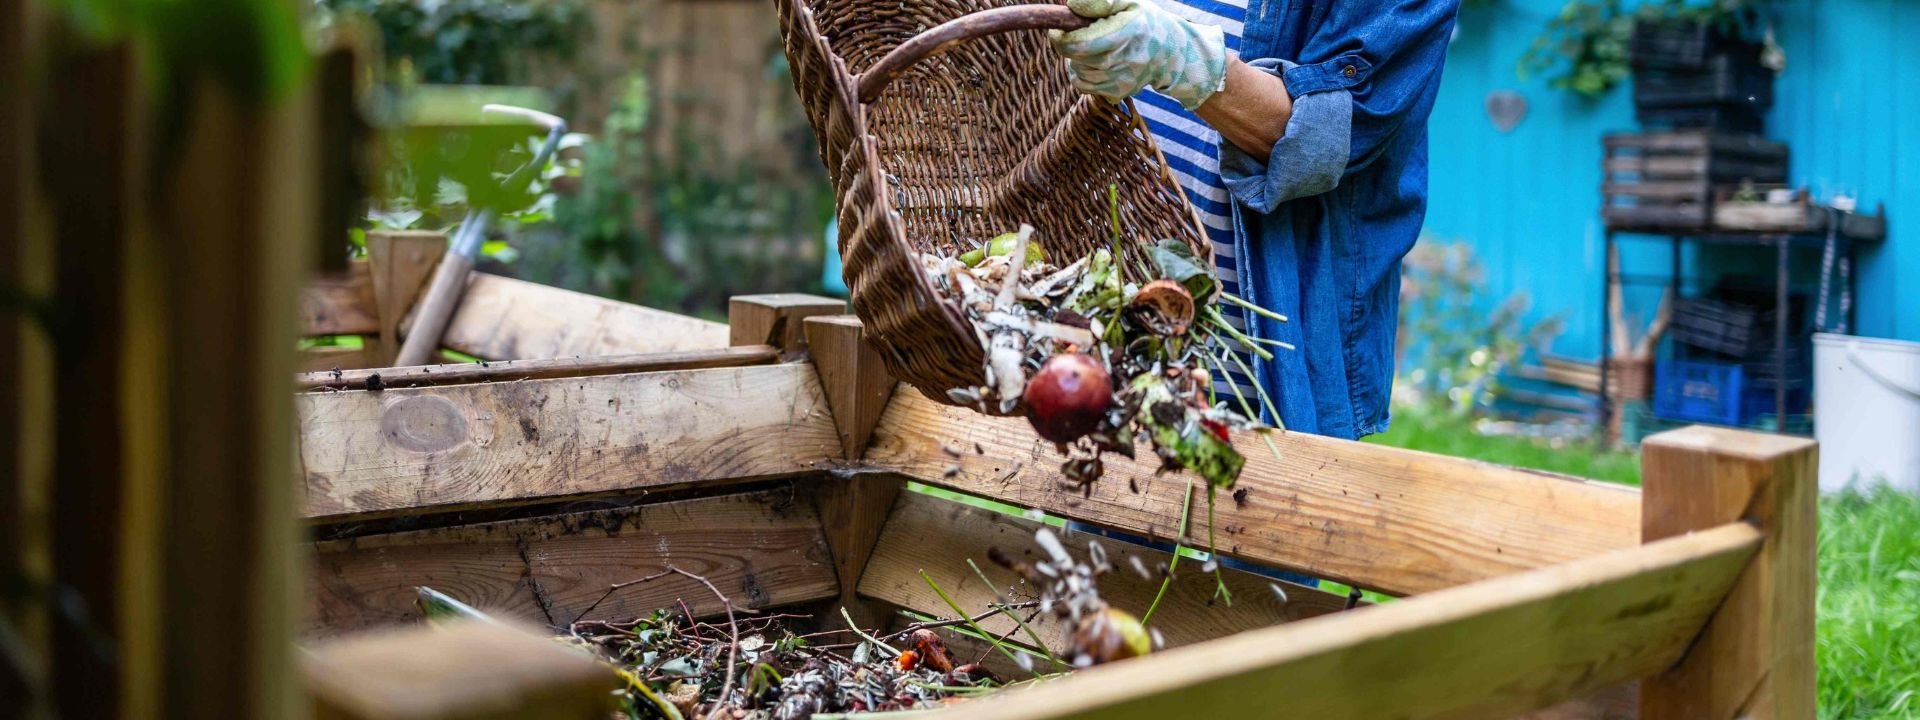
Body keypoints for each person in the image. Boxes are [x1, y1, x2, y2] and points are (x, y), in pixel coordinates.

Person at [1047, 0, 1459, 582]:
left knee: (1262, 620)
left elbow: (1335, 133)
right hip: (1117, 344)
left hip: (1265, 372)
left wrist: (1181, 59)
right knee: (1102, 609)